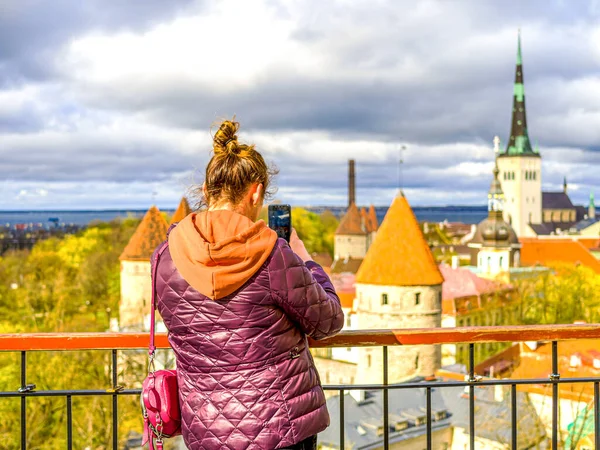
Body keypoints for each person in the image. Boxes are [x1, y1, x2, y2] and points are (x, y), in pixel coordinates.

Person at [153, 119, 344, 449]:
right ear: (256, 192)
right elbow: (328, 322)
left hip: (205, 430)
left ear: (204, 193)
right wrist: (307, 260)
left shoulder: (163, 257)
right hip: (278, 427)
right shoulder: (272, 254)